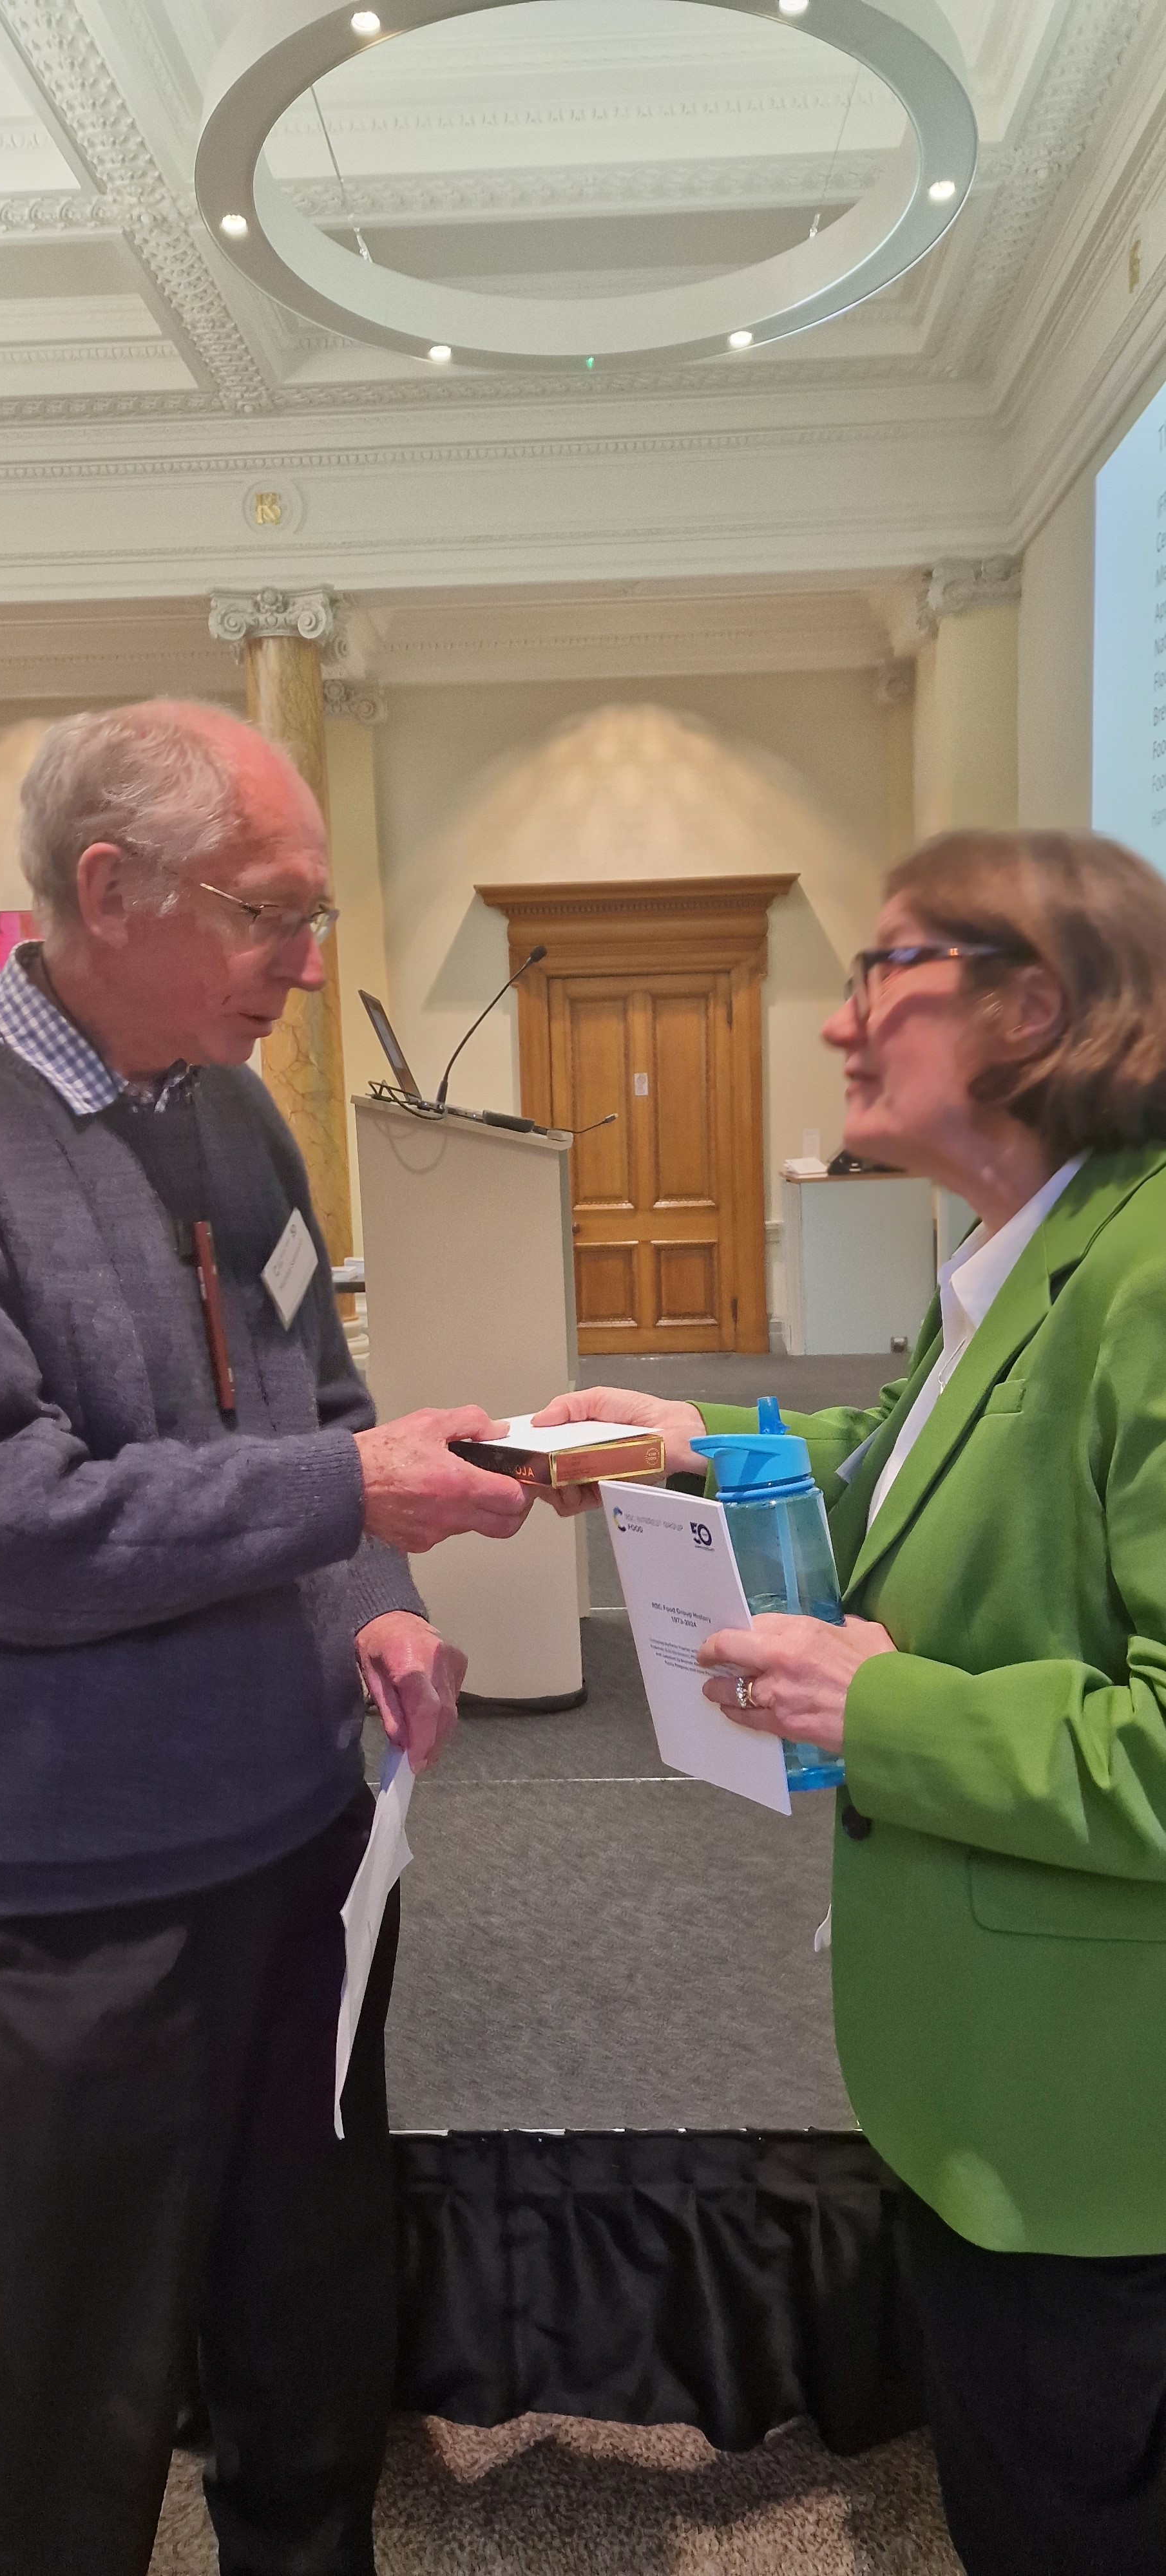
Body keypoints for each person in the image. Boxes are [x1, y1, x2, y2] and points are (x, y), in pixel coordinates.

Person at [538, 827, 1166, 2576]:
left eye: (887, 967)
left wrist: (876, 1707)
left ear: (1032, 1005)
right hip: (998, 2073)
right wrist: (699, 1440)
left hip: (1099, 2127)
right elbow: (899, 1460)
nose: (837, 1020)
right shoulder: (1023, 1241)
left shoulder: (1150, 1274)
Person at [0, 700, 534, 2576]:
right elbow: (3, 1524)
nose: (306, 962)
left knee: (308, 2351)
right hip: (75, 1910)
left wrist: (375, 1607)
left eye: (313, 916)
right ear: (108, 890)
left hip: (307, 1862)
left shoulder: (235, 1109)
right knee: (62, 2413)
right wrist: (346, 1496)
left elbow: (315, 1397)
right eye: (267, 912)